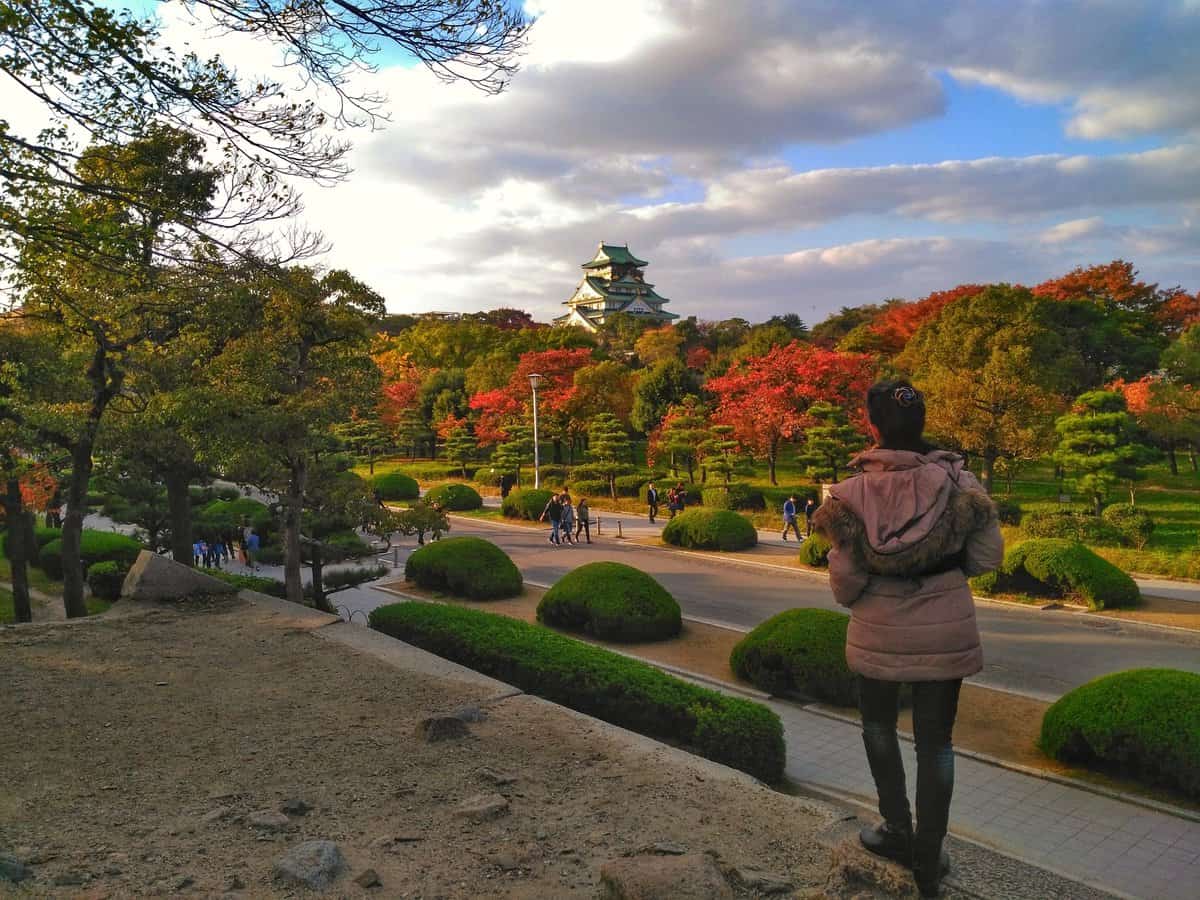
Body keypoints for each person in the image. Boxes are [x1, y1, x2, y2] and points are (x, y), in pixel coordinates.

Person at [812, 380, 1003, 899]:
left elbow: (845, 584)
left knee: (878, 728)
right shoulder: (961, 484)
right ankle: (927, 855)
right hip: (946, 629)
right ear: (921, 422)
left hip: (877, 632)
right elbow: (987, 560)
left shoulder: (849, 496)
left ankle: (896, 829)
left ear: (872, 426)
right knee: (936, 743)